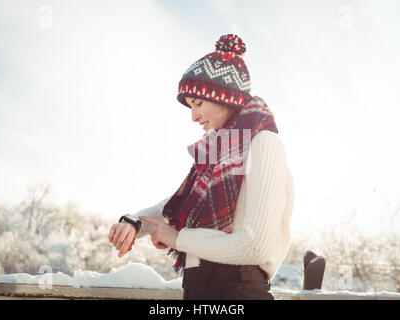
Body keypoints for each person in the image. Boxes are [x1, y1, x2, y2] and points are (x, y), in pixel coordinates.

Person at [108, 34, 294, 300]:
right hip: (197, 288)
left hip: (238, 290)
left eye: (198, 103)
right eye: (190, 106)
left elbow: (256, 246)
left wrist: (178, 239)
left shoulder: (264, 143)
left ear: (225, 97)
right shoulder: (216, 155)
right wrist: (135, 223)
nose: (193, 116)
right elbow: (177, 205)